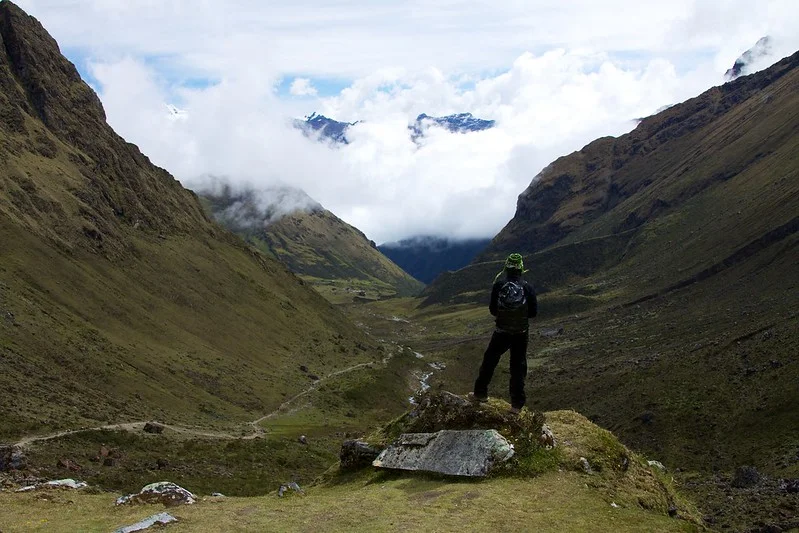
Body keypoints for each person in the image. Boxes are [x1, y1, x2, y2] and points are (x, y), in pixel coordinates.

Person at [470, 253, 537, 414]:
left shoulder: (499, 285)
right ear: (521, 268)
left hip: (501, 332)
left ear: (506, 268)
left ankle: (480, 393)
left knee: (490, 360)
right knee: (518, 366)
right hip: (521, 333)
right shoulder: (528, 287)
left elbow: (493, 309)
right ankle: (516, 405)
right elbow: (533, 312)